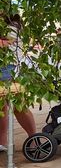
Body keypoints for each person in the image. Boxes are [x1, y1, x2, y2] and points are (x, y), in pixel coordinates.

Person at [0, 14, 37, 152]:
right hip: (5, 67)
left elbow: (5, 44)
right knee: (2, 107)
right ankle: (2, 142)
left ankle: (34, 139)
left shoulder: (12, 26)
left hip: (9, 68)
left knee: (18, 106)